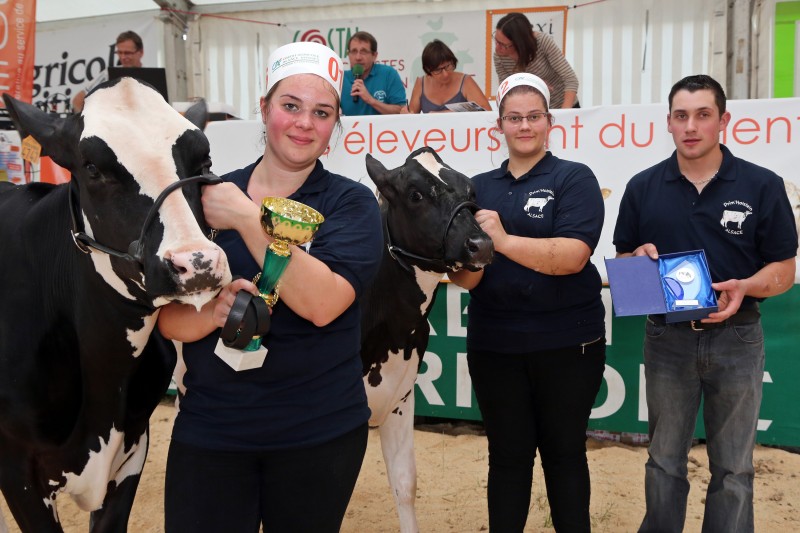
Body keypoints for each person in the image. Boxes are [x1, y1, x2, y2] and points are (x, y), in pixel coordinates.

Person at [158, 41, 383, 533]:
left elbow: (322, 303)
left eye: (322, 112)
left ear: (334, 126)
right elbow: (166, 317)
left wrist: (244, 216)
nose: (304, 123)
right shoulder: (203, 201)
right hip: (212, 431)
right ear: (264, 109)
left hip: (318, 434)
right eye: (290, 106)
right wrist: (210, 314)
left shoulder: (352, 205)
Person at [613, 74, 798, 532]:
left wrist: (746, 286)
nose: (691, 126)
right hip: (666, 339)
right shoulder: (642, 187)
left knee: (734, 468)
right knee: (663, 462)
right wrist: (636, 261)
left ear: (723, 121)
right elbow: (622, 261)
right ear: (669, 124)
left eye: (702, 114)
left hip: (737, 339)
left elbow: (785, 270)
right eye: (681, 116)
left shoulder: (762, 185)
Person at [449, 73, 607, 532]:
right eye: (514, 118)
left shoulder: (574, 178)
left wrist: (500, 239)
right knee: (508, 458)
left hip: (568, 345)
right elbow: (467, 278)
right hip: (495, 346)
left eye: (533, 116)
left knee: (564, 455)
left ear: (549, 121)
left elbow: (573, 257)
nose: (524, 126)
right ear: (498, 125)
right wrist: (454, 261)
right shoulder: (476, 187)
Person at [493, 12, 579, 109]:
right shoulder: (499, 57)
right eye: (496, 40)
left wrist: (565, 112)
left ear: (519, 44)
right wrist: (534, 84)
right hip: (534, 113)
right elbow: (506, 91)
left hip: (563, 105)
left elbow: (571, 79)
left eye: (502, 44)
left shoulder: (542, 42)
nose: (497, 48)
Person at [407, 39, 491, 113]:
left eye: (448, 66)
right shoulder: (420, 83)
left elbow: (487, 111)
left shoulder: (465, 81)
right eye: (438, 70)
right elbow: (412, 117)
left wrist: (443, 114)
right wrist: (406, 114)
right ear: (428, 70)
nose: (445, 74)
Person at [71, 30, 144, 113]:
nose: (123, 57)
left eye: (127, 53)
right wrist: (87, 123)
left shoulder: (153, 77)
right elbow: (78, 100)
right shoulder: (107, 74)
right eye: (120, 52)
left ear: (141, 52)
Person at [340, 31, 407, 115]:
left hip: (383, 128)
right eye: (353, 51)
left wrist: (371, 100)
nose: (358, 57)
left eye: (363, 52)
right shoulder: (341, 78)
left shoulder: (388, 74)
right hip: (351, 128)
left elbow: (401, 110)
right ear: (348, 54)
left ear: (374, 56)